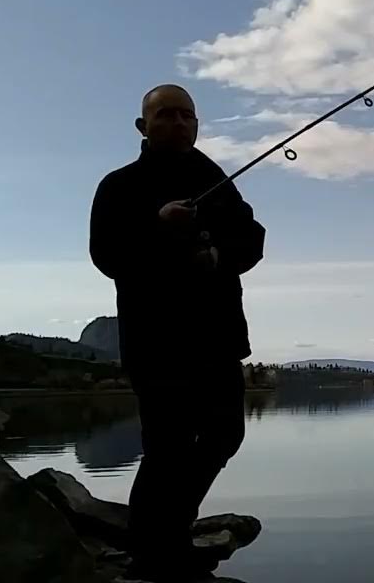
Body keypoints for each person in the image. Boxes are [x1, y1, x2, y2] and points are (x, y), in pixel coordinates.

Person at [88, 83, 265, 580]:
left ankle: (163, 534)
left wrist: (215, 256)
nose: (180, 122)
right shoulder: (118, 185)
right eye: (166, 114)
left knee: (224, 434)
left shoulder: (214, 178)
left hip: (218, 338)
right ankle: (152, 551)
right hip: (156, 343)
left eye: (188, 115)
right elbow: (106, 255)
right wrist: (157, 227)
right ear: (143, 126)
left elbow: (252, 238)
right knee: (166, 447)